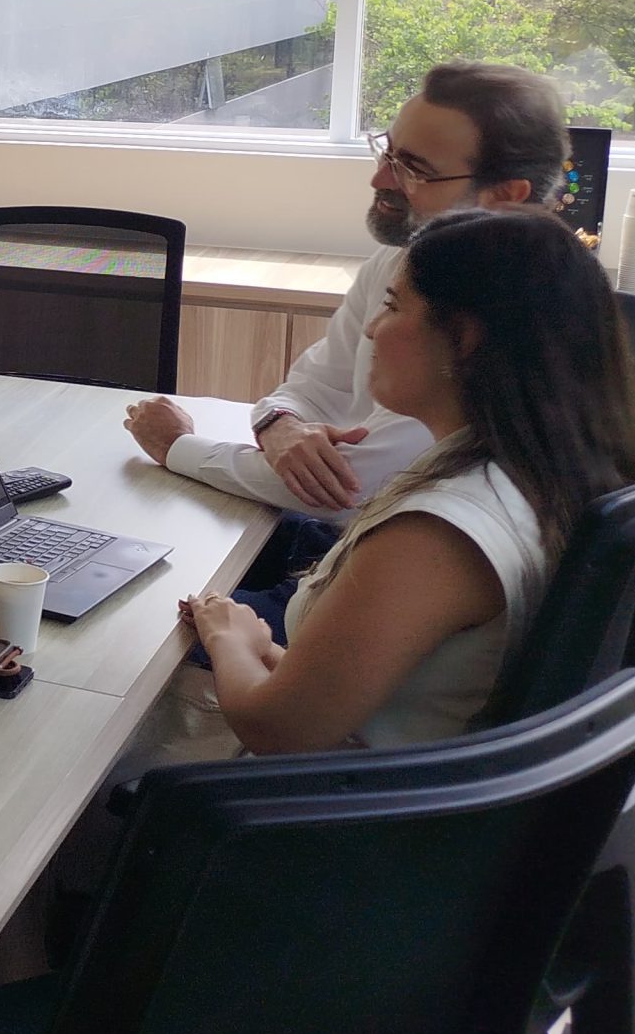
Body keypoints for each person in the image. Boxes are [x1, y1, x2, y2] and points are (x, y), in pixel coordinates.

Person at [168, 209, 635, 756]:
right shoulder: (536, 471)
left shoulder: (433, 539)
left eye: (394, 305)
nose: (372, 327)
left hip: (335, 794)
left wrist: (231, 638)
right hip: (382, 761)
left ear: (464, 339)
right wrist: (256, 648)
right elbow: (353, 695)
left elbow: (276, 728)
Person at [119, 61, 571, 626]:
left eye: (413, 168)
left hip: (382, 575)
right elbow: (311, 386)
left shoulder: (495, 321)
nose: (380, 180)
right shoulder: (400, 260)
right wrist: (281, 426)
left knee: (140, 620)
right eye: (387, 152)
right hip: (344, 544)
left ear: (505, 195)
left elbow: (350, 487)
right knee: (137, 551)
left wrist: (178, 447)